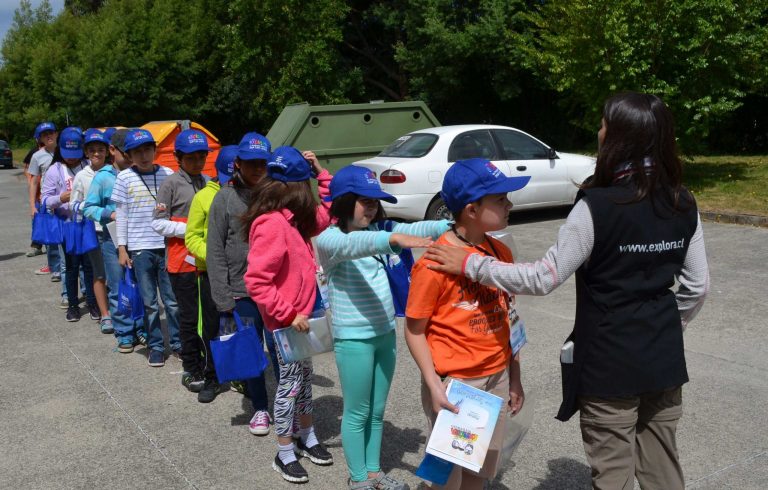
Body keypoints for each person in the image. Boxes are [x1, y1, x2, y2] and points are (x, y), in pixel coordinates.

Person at [424, 92, 710, 490]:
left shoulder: (596, 206)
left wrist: (472, 264)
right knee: (663, 469)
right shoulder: (683, 201)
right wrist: (662, 325)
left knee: (613, 474)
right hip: (663, 359)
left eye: (604, 125)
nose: (599, 132)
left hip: (609, 363)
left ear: (620, 138)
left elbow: (544, 277)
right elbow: (697, 286)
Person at [315, 165, 450, 490]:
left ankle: (374, 473)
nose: (372, 208)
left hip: (385, 334)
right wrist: (392, 239)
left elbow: (420, 227)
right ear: (344, 202)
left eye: (375, 201)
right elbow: (359, 244)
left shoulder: (383, 229)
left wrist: (451, 225)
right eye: (365, 201)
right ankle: (358, 478)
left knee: (376, 411)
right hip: (354, 340)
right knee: (357, 412)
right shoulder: (330, 239)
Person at [405, 158, 529, 490]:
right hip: (457, 386)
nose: (509, 205)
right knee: (448, 477)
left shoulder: (500, 253)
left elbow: (510, 317)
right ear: (472, 210)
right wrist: (434, 385)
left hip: (496, 378)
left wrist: (514, 378)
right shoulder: (433, 263)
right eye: (500, 199)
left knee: (479, 471)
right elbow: (414, 330)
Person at [242, 146, 333, 483]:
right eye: (306, 185)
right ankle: (284, 452)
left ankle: (306, 436)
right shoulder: (272, 224)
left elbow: (329, 213)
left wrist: (321, 173)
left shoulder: (295, 220)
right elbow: (256, 281)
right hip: (287, 324)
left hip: (303, 320)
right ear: (295, 189)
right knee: (289, 388)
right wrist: (289, 313)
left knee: (304, 383)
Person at [207, 134, 280, 422]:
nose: (257, 168)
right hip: (241, 292)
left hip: (274, 289)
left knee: (281, 350)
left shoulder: (275, 194)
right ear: (237, 163)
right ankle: (260, 408)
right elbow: (214, 249)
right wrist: (222, 296)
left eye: (262, 163)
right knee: (250, 351)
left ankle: (286, 409)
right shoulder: (224, 198)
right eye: (251, 163)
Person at [112, 129, 181, 367]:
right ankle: (156, 346)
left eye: (147, 150)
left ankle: (178, 343)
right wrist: (122, 248)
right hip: (140, 248)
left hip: (166, 245)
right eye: (137, 152)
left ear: (155, 150)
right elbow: (121, 215)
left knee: (172, 301)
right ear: (129, 155)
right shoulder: (124, 178)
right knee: (150, 303)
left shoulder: (168, 174)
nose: (143, 156)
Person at [150, 129, 212, 390]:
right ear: (178, 157)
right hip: (180, 261)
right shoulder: (170, 184)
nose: (197, 162)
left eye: (201, 157)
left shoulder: (209, 181)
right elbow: (158, 223)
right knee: (189, 317)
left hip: (206, 260)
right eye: (191, 158)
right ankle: (192, 368)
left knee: (209, 317)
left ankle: (211, 365)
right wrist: (190, 229)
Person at [83, 128, 147, 352]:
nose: (131, 157)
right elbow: (88, 208)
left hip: (139, 237)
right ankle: (124, 332)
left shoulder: (142, 173)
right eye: (126, 153)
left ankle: (142, 327)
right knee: (118, 284)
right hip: (111, 238)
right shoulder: (103, 177)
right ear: (113, 150)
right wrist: (110, 214)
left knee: (142, 284)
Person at [184, 144, 238, 401]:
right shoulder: (203, 197)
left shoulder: (248, 195)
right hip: (210, 274)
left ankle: (242, 374)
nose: (230, 183)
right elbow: (192, 237)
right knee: (211, 327)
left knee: (241, 326)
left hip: (241, 275)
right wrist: (215, 256)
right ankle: (212, 376)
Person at [40, 127, 98, 322]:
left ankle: (92, 302)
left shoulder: (88, 166)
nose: (71, 158)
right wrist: (60, 198)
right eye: (67, 154)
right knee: (72, 267)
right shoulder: (54, 170)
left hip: (88, 223)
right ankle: (73, 305)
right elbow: (45, 199)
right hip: (67, 225)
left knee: (89, 266)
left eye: (75, 154)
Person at [71, 129, 112, 333]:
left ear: (107, 151)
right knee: (99, 273)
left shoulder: (113, 172)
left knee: (117, 272)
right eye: (92, 150)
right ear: (86, 153)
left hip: (114, 229)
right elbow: (73, 204)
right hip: (93, 231)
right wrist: (90, 206)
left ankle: (120, 309)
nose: (97, 153)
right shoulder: (81, 175)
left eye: (101, 150)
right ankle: (105, 315)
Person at [28, 122, 59, 274]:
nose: (48, 136)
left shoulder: (65, 151)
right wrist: (32, 205)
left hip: (65, 199)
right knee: (50, 237)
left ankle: (66, 267)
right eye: (44, 134)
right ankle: (54, 268)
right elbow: (34, 182)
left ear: (56, 134)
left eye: (51, 133)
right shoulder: (37, 156)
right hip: (46, 201)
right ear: (40, 138)